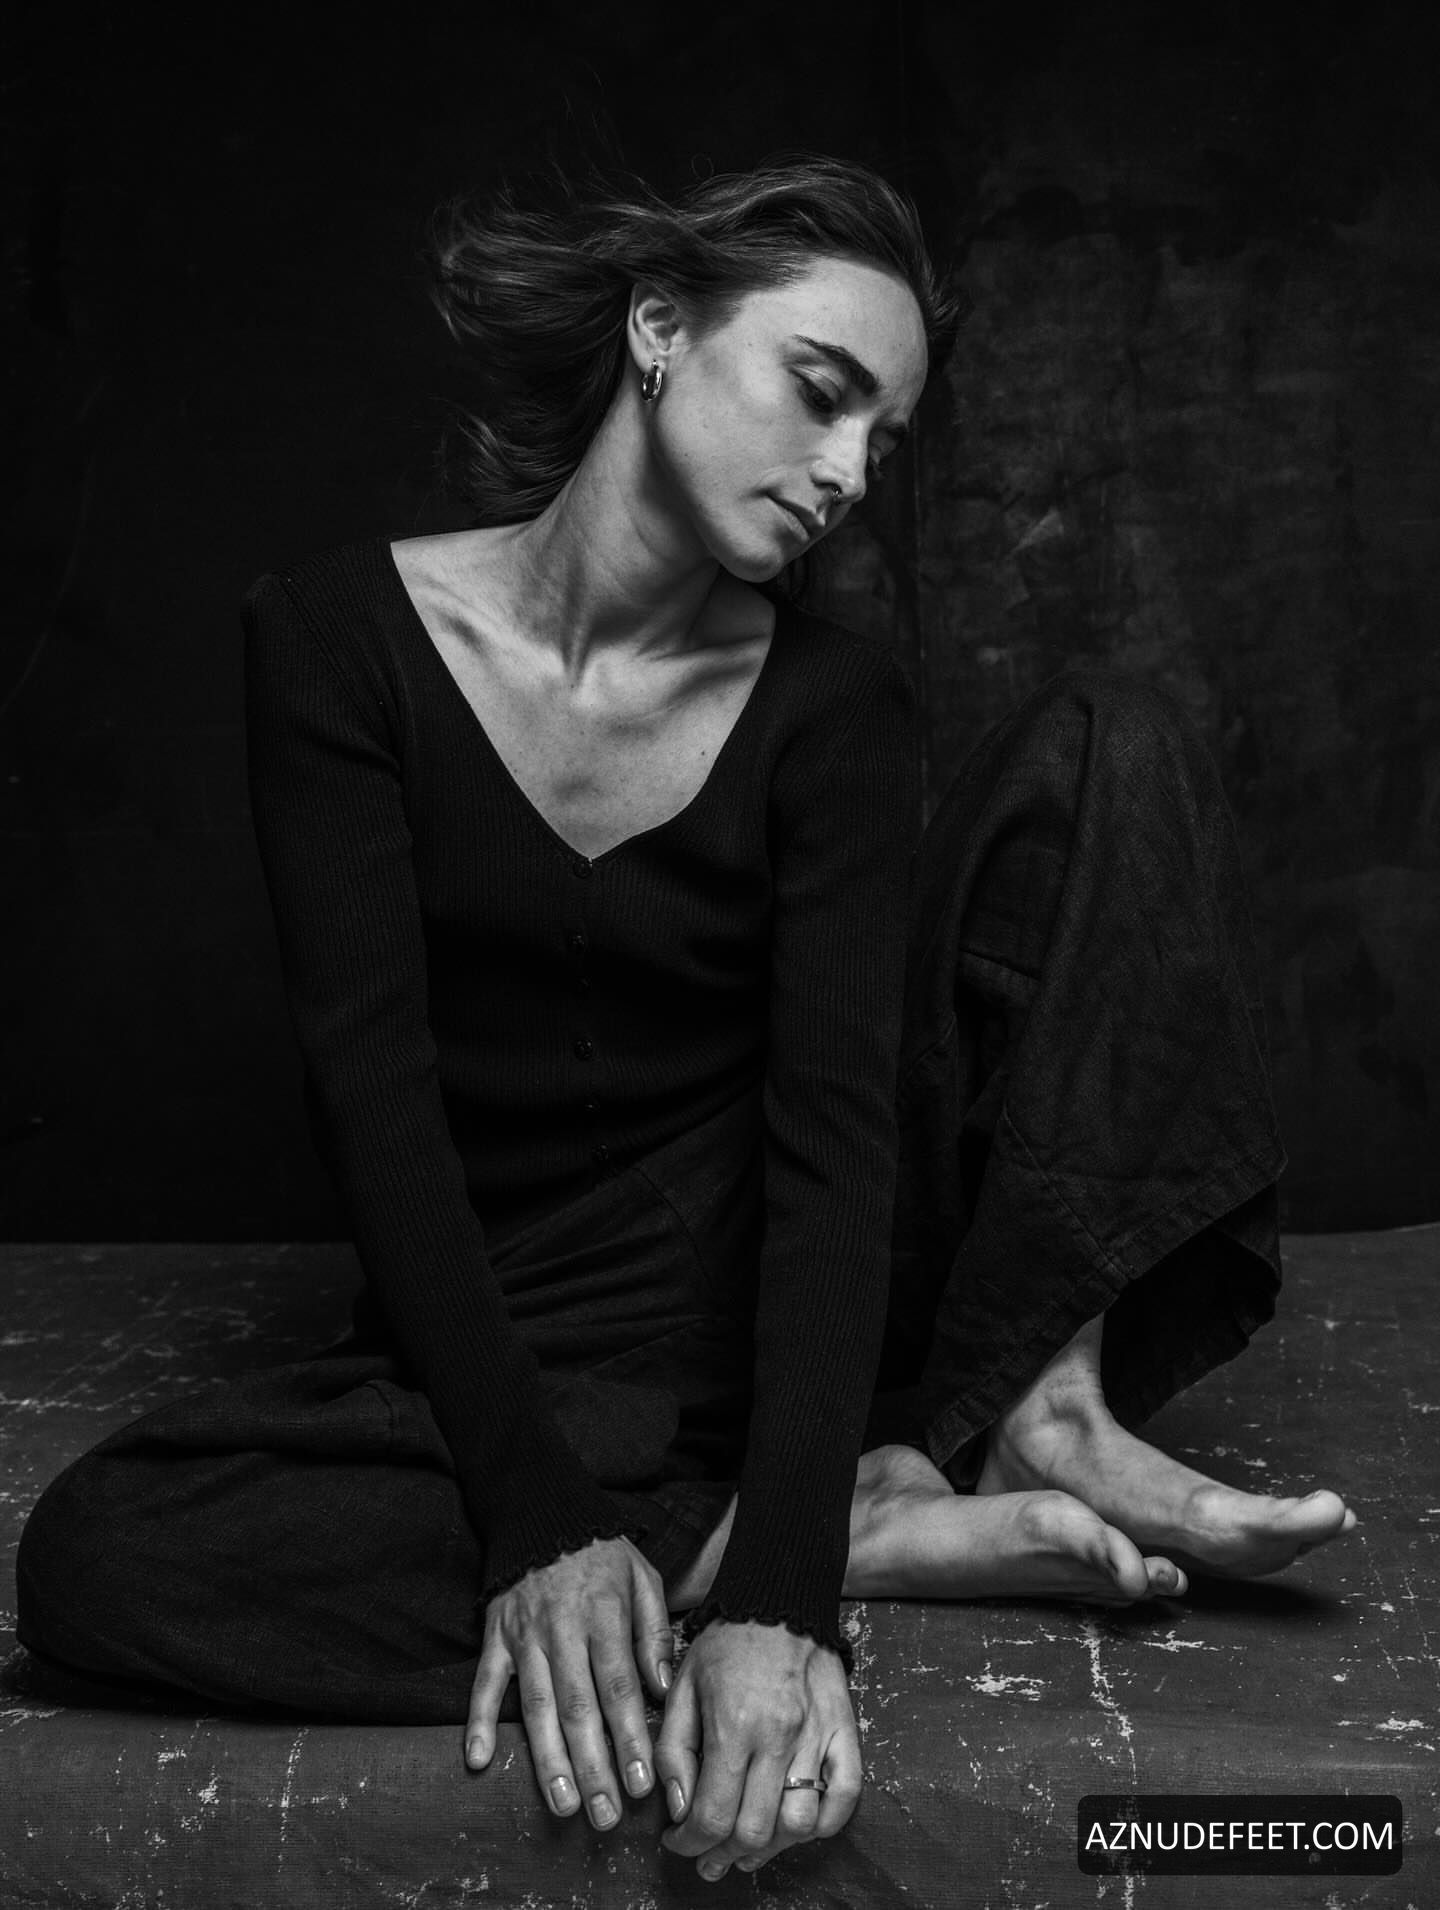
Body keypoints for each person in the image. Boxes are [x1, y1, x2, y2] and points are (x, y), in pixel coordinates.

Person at [15, 154, 1355, 1885]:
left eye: (884, 440)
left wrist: (784, 1614)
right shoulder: (338, 641)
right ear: (659, 328)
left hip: (789, 1277)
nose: (848, 472)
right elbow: (377, 1105)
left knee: (1113, 741)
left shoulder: (833, 705)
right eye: (821, 390)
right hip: (526, 1334)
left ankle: (1011, 1419)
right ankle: (810, 1519)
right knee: (99, 1559)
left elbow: (834, 1144)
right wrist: (539, 1520)